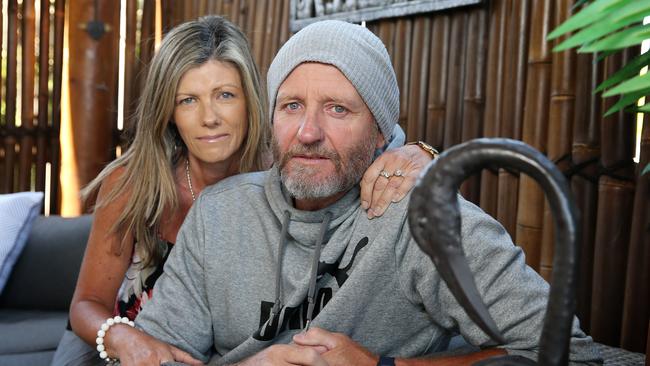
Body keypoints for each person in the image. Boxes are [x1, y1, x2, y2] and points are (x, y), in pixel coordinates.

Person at [135, 20, 601, 366]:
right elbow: (153, 353)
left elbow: (567, 354)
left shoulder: (422, 222)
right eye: (292, 105)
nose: (309, 131)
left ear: (382, 132)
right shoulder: (219, 213)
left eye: (338, 109)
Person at [51, 16, 433, 366]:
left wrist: (424, 153)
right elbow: (86, 304)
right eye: (188, 100)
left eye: (225, 95)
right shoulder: (133, 183)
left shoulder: (286, 172)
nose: (209, 117)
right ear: (168, 111)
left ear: (252, 100)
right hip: (114, 337)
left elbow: (370, 141)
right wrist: (123, 338)